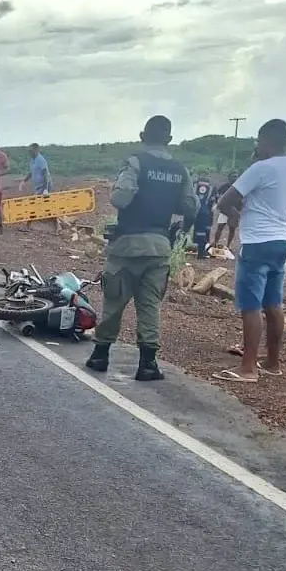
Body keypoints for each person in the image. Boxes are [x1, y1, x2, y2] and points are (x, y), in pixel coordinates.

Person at [85, 115, 197, 381]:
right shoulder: (180, 170)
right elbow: (190, 206)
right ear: (169, 139)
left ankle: (100, 355)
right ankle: (148, 364)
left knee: (114, 300)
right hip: (159, 247)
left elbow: (120, 198)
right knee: (149, 306)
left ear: (142, 135)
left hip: (128, 244)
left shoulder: (135, 161)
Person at [211, 119, 286, 384]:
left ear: (266, 141)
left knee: (250, 306)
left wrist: (236, 216)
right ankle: (272, 363)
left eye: (258, 142)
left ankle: (247, 368)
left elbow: (225, 201)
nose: (256, 146)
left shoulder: (260, 168)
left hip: (256, 243)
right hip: (281, 242)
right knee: (273, 304)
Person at [210, 170, 239, 249]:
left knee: (232, 229)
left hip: (235, 211)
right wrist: (218, 204)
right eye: (233, 176)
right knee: (220, 227)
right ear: (229, 178)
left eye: (236, 176)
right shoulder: (224, 187)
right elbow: (217, 196)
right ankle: (215, 242)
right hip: (224, 211)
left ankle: (228, 246)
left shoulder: (240, 187)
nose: (235, 178)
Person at [193, 179, 213, 258]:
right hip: (204, 212)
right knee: (202, 233)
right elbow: (212, 202)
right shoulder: (210, 187)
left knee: (197, 231)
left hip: (195, 210)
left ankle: (200, 251)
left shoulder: (194, 184)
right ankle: (201, 253)